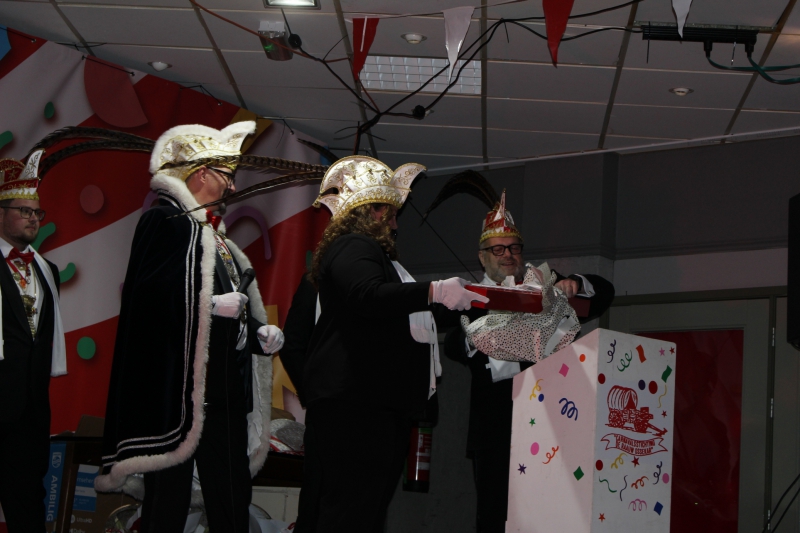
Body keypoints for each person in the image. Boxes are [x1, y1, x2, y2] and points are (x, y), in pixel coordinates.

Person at [96, 122, 284, 532]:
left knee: (232, 501)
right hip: (179, 396)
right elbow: (147, 300)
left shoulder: (220, 241)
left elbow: (232, 309)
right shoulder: (164, 221)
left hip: (226, 395)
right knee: (168, 503)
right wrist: (210, 305)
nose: (232, 187)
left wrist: (257, 333)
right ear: (201, 174)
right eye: (227, 175)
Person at [293, 155, 489, 533]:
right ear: (374, 211)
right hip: (357, 403)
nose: (396, 224)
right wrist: (434, 291)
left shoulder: (378, 259)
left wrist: (475, 301)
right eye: (393, 214)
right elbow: (367, 295)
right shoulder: (354, 245)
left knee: (363, 511)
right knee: (350, 512)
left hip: (370, 403)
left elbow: (410, 314)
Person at [444, 192, 615, 533]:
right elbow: (451, 343)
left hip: (552, 422)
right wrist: (483, 328)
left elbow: (604, 293)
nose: (508, 255)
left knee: (548, 515)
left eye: (514, 248)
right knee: (496, 517)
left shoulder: (542, 286)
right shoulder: (471, 299)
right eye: (498, 249)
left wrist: (575, 283)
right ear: (482, 257)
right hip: (496, 429)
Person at [0, 152, 66, 532]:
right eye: (23, 210)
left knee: (27, 503)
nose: (33, 218)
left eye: (37, 212)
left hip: (31, 413)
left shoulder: (48, 271)